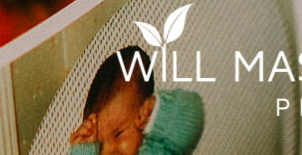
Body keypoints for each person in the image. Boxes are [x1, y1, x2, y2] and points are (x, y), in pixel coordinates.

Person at [69, 45, 205, 155]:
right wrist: (83, 149)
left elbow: (193, 117)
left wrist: (160, 112)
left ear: (145, 119)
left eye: (118, 134)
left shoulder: (158, 149)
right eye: (100, 146)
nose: (110, 151)